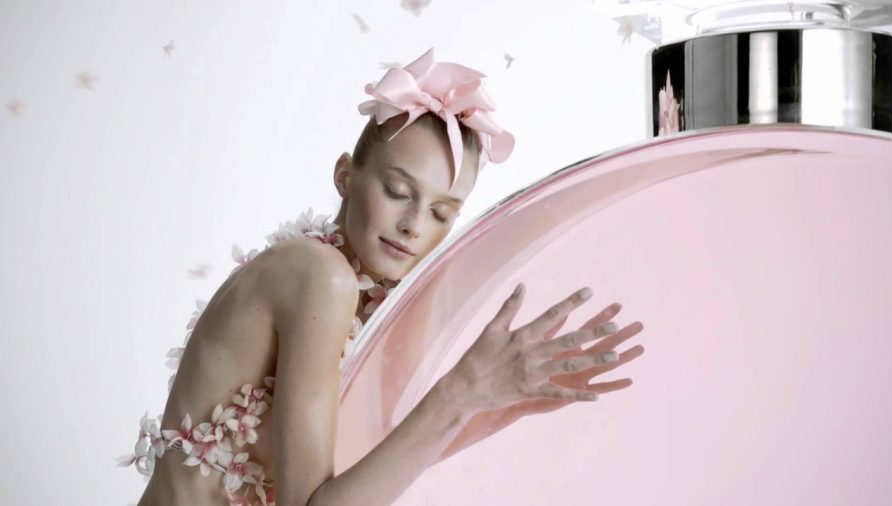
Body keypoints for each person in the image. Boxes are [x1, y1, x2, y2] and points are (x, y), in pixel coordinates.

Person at [120, 47, 645, 506]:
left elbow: (368, 481)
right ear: (345, 176)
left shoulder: (371, 308)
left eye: (441, 213)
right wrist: (460, 392)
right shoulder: (319, 276)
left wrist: (503, 400)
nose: (414, 225)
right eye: (398, 192)